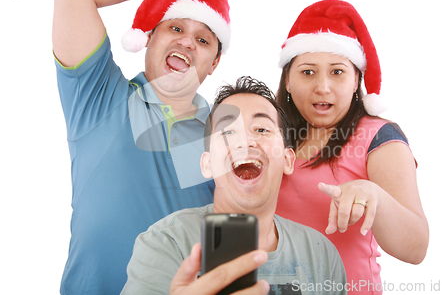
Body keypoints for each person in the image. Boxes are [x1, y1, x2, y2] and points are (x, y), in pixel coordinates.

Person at [52, 0, 231, 294]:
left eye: (203, 39)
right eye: (175, 27)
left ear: (214, 63)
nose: (187, 41)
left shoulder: (225, 137)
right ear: (148, 37)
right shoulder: (99, 94)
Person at [121, 76, 347, 294]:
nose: (245, 141)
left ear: (287, 160)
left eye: (261, 129)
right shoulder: (165, 243)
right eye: (227, 131)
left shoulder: (320, 254)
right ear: (207, 164)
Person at [274, 0, 429, 294]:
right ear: (288, 81)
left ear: (356, 78)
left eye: (337, 72)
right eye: (308, 72)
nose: (323, 87)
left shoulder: (378, 138)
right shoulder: (270, 133)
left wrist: (375, 196)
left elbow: (417, 248)